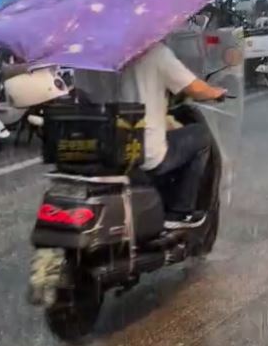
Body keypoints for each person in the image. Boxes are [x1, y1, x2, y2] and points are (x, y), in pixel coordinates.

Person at [76, 42, 225, 229]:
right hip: (144, 151)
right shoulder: (156, 54)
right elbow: (196, 89)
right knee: (200, 135)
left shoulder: (104, 55)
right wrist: (216, 92)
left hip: (110, 146)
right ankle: (180, 212)